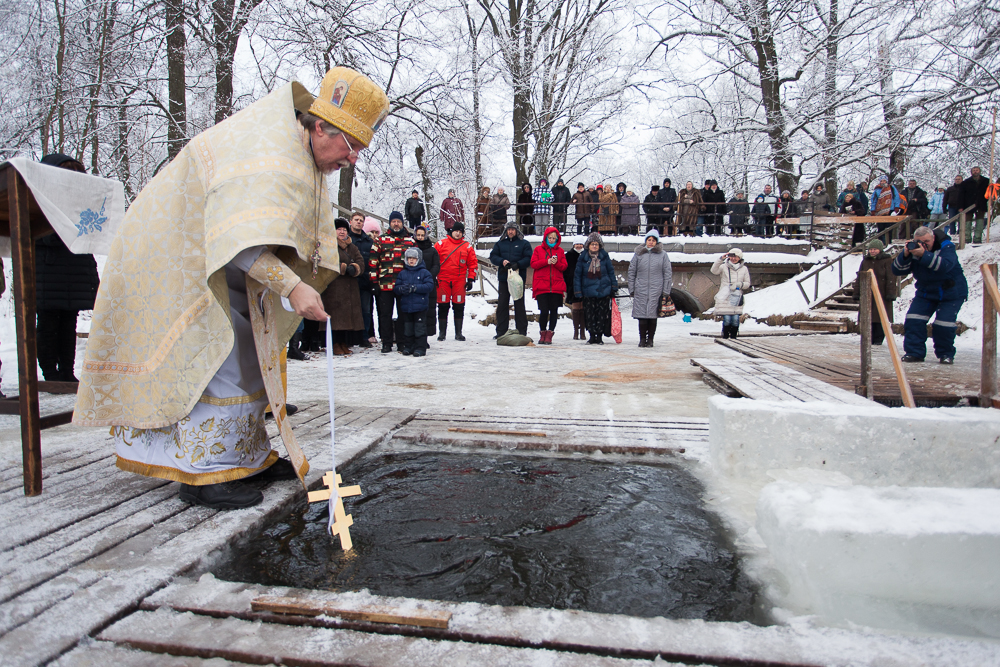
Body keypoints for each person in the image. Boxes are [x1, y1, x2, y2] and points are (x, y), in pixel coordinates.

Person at [74, 66, 388, 509]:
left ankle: (246, 456)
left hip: (227, 271)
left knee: (252, 357)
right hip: (180, 261)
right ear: (321, 127)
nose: (351, 157)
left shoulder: (297, 148)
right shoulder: (272, 152)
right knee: (214, 356)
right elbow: (229, 240)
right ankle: (203, 471)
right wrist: (294, 286)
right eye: (349, 145)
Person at [35, 153, 100, 382]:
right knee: (48, 323)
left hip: (74, 269)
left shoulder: (81, 201)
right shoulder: (40, 199)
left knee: (67, 323)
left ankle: (66, 372)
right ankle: (51, 373)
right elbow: (39, 235)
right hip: (49, 271)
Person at [892, 225, 968, 364]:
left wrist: (924, 255)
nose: (923, 245)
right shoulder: (914, 250)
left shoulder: (946, 247)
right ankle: (914, 353)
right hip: (926, 291)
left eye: (926, 241)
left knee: (943, 324)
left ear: (933, 238)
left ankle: (945, 354)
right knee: (913, 319)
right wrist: (905, 255)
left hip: (951, 292)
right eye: (919, 241)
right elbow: (897, 270)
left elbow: (944, 266)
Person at [370, 211, 415, 353]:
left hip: (403, 286)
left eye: (399, 221)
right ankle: (386, 342)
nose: (396, 224)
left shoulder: (410, 241)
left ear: (403, 223)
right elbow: (373, 262)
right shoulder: (380, 240)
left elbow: (416, 264)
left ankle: (401, 342)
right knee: (385, 315)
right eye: (394, 221)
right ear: (390, 223)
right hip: (385, 284)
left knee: (403, 315)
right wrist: (373, 282)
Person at [322, 218, 366, 355]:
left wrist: (356, 268)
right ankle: (334, 343)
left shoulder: (352, 247)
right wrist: (343, 268)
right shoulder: (328, 245)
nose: (342, 232)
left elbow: (361, 261)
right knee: (335, 317)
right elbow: (326, 261)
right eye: (339, 229)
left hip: (350, 288)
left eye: (344, 229)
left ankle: (343, 343)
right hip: (333, 287)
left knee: (347, 318)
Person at [628, 229, 672, 348]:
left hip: (656, 289)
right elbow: (632, 272)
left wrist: (665, 290)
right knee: (641, 316)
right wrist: (632, 288)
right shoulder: (638, 254)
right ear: (646, 241)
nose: (651, 242)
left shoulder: (663, 255)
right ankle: (642, 339)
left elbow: (667, 273)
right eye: (649, 240)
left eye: (653, 240)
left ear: (656, 242)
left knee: (652, 316)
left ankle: (650, 339)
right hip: (640, 289)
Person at [433, 221, 477, 341]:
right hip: (443, 280)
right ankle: (442, 333)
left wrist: (471, 278)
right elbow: (433, 261)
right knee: (443, 306)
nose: (458, 233)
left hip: (459, 281)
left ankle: (458, 333)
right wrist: (432, 277)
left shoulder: (467, 247)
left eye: (460, 232)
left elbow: (473, 264)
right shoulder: (440, 244)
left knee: (459, 306)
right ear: (451, 231)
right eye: (456, 231)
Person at [490, 220, 532, 337]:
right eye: (509, 229)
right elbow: (493, 256)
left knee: (519, 305)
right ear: (506, 231)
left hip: (518, 279)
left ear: (516, 231)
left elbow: (529, 258)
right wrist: (501, 261)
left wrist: (518, 264)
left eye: (513, 229)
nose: (510, 231)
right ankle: (501, 332)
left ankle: (521, 331)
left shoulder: (524, 243)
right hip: (504, 278)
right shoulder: (500, 243)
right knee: (502, 305)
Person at [574, 232, 617, 344]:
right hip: (588, 291)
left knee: (602, 314)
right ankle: (592, 335)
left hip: (603, 290)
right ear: (588, 245)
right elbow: (577, 275)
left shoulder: (604, 257)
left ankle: (599, 336)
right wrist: (578, 291)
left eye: (596, 244)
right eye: (592, 244)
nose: (594, 246)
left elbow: (611, 272)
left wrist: (613, 286)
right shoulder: (583, 258)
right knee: (590, 315)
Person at [852, 239, 897, 345]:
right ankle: (868, 337)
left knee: (880, 316)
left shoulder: (887, 260)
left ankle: (878, 338)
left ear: (880, 250)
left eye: (875, 249)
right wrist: (857, 292)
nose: (872, 251)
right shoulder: (865, 261)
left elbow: (891, 277)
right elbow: (860, 277)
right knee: (868, 316)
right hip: (867, 292)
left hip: (882, 293)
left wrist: (890, 293)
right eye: (871, 249)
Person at [393, 247, 435, 356]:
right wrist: (402, 289)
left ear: (419, 259)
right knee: (408, 328)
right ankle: (408, 346)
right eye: (409, 258)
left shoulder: (424, 272)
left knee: (419, 328)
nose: (411, 260)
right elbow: (396, 287)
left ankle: (420, 348)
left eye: (414, 258)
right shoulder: (403, 273)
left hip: (420, 306)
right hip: (406, 306)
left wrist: (415, 288)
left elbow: (429, 286)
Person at [530, 226, 568, 344]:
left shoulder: (560, 251)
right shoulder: (538, 249)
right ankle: (542, 333)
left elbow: (564, 266)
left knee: (554, 311)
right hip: (542, 286)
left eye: (554, 238)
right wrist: (546, 261)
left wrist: (556, 263)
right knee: (544, 310)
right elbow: (533, 264)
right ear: (545, 238)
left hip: (556, 286)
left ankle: (550, 334)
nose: (551, 240)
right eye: (549, 238)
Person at [348, 211, 376, 348]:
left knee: (366, 310)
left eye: (361, 220)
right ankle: (349, 337)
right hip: (348, 282)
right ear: (351, 221)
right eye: (356, 219)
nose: (358, 222)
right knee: (348, 310)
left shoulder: (368, 241)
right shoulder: (345, 239)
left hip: (365, 282)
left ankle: (364, 337)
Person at [711, 248, 750, 339]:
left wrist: (739, 284)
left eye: (735, 257)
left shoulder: (744, 269)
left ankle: (733, 336)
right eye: (732, 256)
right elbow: (714, 270)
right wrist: (720, 259)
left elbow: (747, 283)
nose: (733, 259)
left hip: (736, 296)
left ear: (739, 258)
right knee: (727, 319)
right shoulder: (724, 266)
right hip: (726, 295)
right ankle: (725, 336)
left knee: (735, 320)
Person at [412, 225, 440, 340]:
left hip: (429, 284)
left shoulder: (432, 250)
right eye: (418, 235)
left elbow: (436, 265)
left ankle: (425, 337)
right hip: (414, 283)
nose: (420, 237)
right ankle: (414, 336)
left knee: (428, 311)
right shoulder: (411, 248)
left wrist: (428, 276)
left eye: (422, 235)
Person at [564, 236, 587, 340]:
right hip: (572, 286)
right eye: (577, 244)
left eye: (580, 244)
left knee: (583, 309)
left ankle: (583, 331)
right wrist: (568, 282)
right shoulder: (568, 256)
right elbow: (565, 271)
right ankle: (576, 331)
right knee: (576, 308)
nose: (579, 246)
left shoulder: (587, 255)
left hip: (585, 286)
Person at [961, 166, 990, 244]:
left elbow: (989, 193)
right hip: (968, 204)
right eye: (974, 170)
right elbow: (961, 195)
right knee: (967, 223)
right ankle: (967, 238)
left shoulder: (986, 181)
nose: (975, 171)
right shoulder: (966, 182)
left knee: (980, 222)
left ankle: (977, 238)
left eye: (977, 170)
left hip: (981, 204)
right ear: (971, 172)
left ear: (979, 171)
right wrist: (961, 206)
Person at [870, 176, 902, 244]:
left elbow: (896, 197)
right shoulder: (877, 189)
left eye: (884, 181)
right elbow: (874, 200)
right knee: (880, 228)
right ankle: (880, 243)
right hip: (880, 211)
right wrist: (873, 210)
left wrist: (897, 207)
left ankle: (888, 243)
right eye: (881, 181)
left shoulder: (892, 188)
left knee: (889, 228)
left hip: (890, 209)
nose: (883, 182)